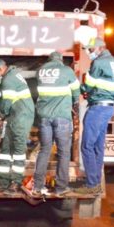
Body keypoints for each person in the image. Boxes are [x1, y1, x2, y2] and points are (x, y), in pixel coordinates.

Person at [75, 37, 114, 195]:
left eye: (90, 50)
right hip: (108, 108)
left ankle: (92, 184)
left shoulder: (97, 63)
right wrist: (111, 97)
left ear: (99, 48)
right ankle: (96, 182)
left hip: (97, 108)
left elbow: (89, 86)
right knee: (98, 147)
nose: (89, 53)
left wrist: (81, 89)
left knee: (86, 146)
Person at [32, 51, 80, 198]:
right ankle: (60, 187)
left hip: (44, 117)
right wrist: (76, 104)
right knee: (63, 152)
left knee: (45, 150)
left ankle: (37, 187)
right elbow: (76, 91)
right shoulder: (67, 70)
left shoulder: (40, 71)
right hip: (62, 117)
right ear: (61, 60)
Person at [0, 59, 35, 194]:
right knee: (5, 149)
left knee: (17, 151)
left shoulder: (8, 80)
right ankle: (4, 182)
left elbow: (6, 103)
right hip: (15, 116)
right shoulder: (13, 74)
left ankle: (15, 182)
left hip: (20, 118)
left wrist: (1, 117)